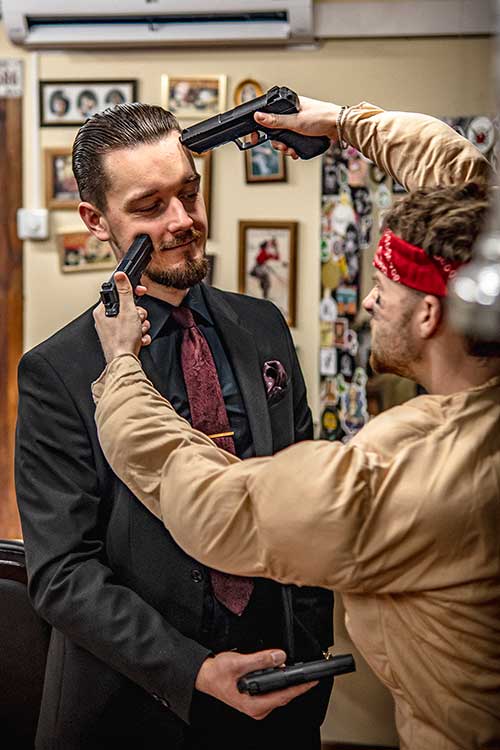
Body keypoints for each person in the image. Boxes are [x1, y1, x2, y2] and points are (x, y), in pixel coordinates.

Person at [91, 99, 499, 750]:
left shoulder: (417, 475)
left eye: (384, 287)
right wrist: (340, 121)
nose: (370, 300)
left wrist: (119, 370)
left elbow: (217, 505)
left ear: (428, 316)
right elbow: (462, 179)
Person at [15, 102, 333, 750]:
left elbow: (306, 487)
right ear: (97, 221)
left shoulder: (263, 326)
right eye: (150, 206)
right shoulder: (57, 371)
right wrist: (193, 670)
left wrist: (310, 638)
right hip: (139, 705)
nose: (183, 220)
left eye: (189, 192)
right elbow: (62, 572)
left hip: (280, 692)